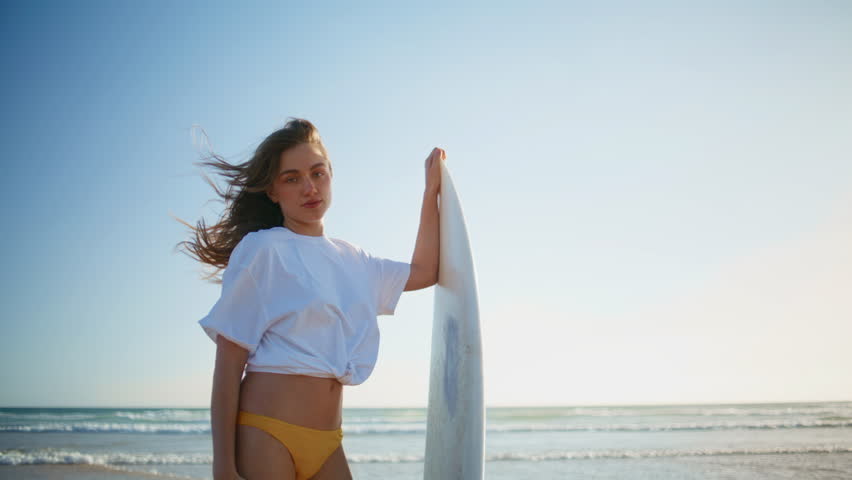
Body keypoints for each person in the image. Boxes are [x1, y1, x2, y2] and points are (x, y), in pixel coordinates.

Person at [175, 118, 444, 480]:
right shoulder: (263, 250)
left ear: (331, 174)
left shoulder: (355, 259)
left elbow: (426, 271)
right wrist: (223, 467)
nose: (309, 187)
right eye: (292, 178)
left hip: (328, 442)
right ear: (273, 191)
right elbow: (227, 364)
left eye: (318, 173)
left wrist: (431, 194)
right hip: (266, 433)